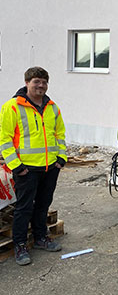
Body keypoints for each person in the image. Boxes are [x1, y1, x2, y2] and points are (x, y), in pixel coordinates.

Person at [0, 66, 67, 266]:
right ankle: (20, 244)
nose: (41, 85)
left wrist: (60, 159)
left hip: (50, 167)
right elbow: (5, 139)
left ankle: (40, 238)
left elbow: (59, 134)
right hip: (26, 168)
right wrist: (16, 166)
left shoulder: (52, 107)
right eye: (36, 81)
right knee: (24, 207)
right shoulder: (12, 106)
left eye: (44, 82)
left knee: (43, 205)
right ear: (27, 82)